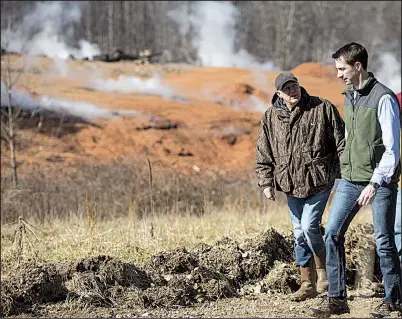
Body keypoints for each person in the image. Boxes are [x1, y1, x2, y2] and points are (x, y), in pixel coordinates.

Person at [311, 42, 401, 318]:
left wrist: (375, 183)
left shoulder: (384, 99)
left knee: (384, 240)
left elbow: (392, 149)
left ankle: (394, 300)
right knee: (333, 233)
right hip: (350, 179)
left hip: (380, 180)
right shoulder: (349, 96)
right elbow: (351, 140)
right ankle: (337, 299)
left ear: (358, 66)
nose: (338, 74)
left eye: (342, 69)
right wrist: (342, 175)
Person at [255, 72, 345, 302]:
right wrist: (266, 183)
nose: (292, 91)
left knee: (308, 226)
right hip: (290, 183)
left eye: (294, 86)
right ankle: (307, 284)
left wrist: (348, 172)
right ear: (278, 94)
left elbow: (342, 140)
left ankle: (324, 274)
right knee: (298, 233)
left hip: (319, 179)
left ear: (299, 85)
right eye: (286, 89)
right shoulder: (270, 117)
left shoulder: (321, 107)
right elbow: (263, 152)